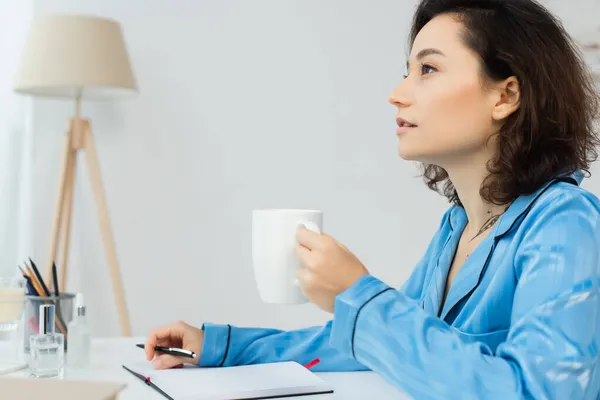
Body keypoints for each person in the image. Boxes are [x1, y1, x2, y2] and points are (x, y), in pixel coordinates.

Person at [144, 0, 600, 398]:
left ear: (506, 94)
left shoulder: (565, 222)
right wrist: (219, 347)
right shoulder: (456, 229)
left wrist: (358, 295)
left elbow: (541, 393)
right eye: (408, 72)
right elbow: (367, 345)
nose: (397, 94)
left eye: (428, 69)